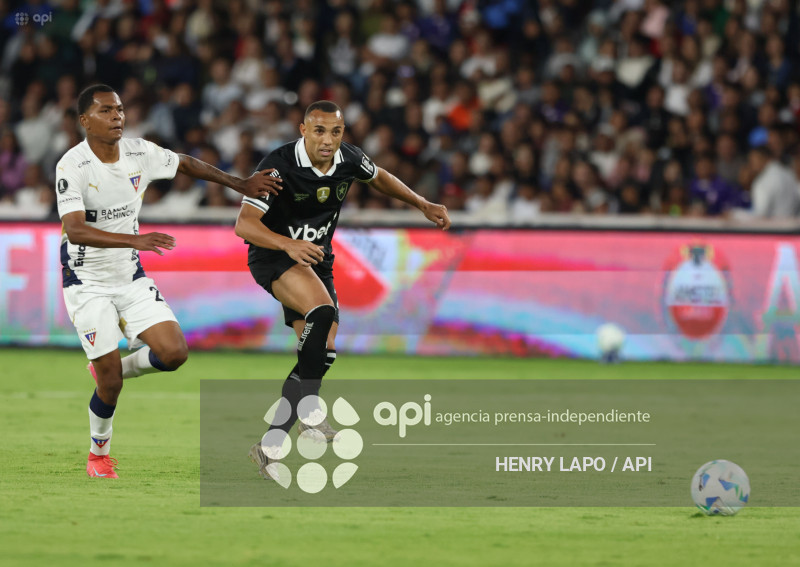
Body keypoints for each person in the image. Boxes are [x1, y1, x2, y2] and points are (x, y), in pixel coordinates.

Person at [56, 84, 282, 479]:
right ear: (84, 121)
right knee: (111, 385)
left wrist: (240, 184)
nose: (117, 116)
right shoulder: (72, 166)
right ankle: (98, 455)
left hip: (129, 275)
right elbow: (74, 230)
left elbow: (186, 164)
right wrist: (135, 240)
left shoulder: (139, 153)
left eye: (119, 109)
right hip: (86, 281)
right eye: (106, 111)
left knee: (174, 353)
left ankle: (112, 368)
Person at [236, 100, 450, 481]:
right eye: (319, 131)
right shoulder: (278, 166)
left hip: (317, 258)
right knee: (322, 312)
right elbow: (245, 225)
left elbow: (378, 176)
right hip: (274, 254)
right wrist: (287, 244)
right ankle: (310, 412)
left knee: (323, 350)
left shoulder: (348, 158)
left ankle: (268, 447)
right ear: (303, 130)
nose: (327, 140)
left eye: (335, 132)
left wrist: (421, 203)